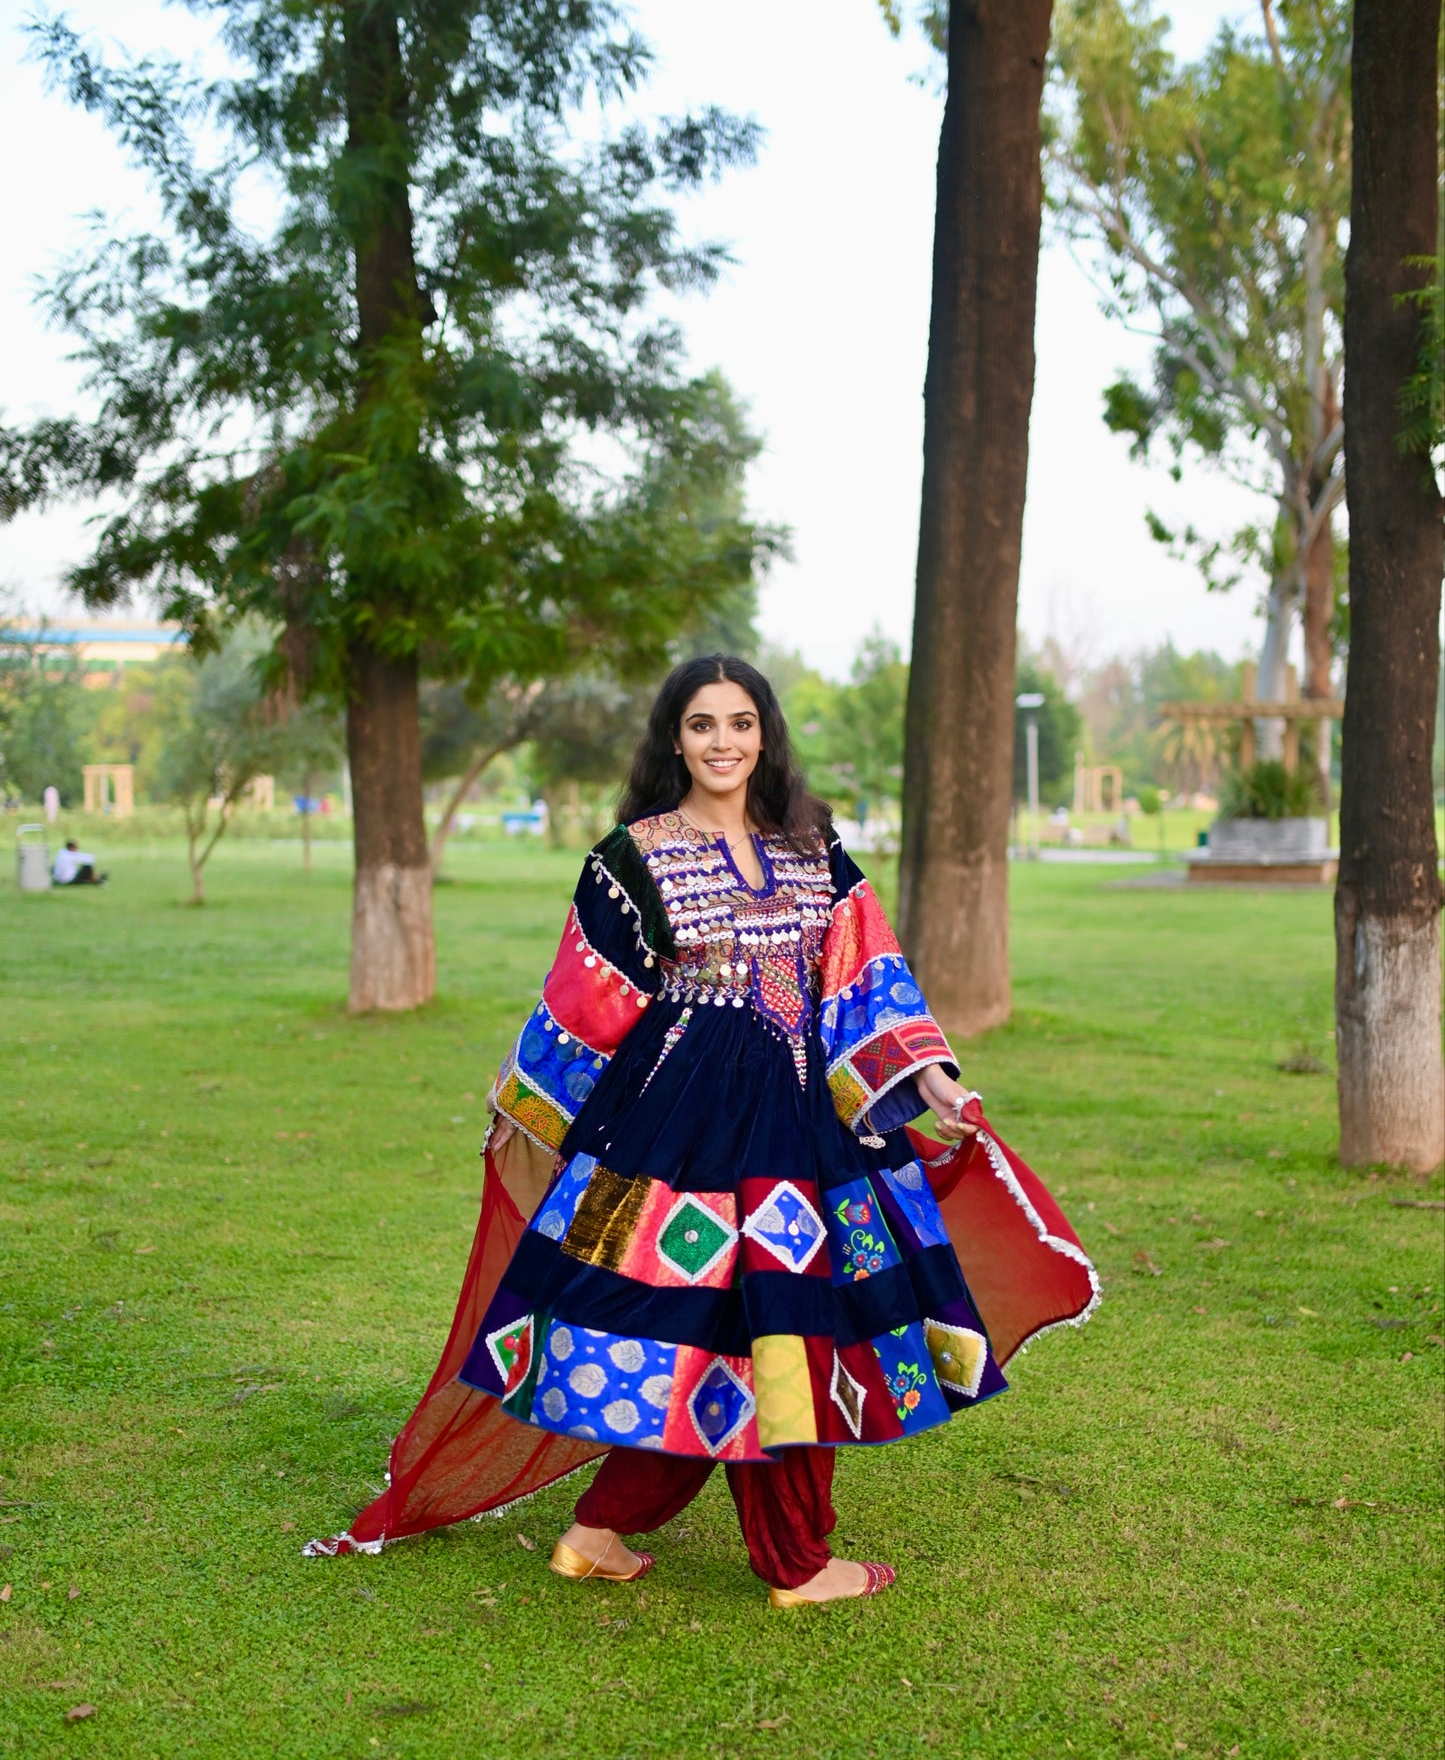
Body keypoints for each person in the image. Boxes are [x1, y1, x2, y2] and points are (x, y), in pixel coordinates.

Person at [307, 657, 1097, 1603]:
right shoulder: (631, 856)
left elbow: (867, 974)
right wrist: (528, 1090)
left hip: (808, 1126)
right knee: (754, 1323)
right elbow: (588, 992)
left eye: (739, 722)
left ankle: (599, 1533)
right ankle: (796, 1564)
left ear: (764, 734)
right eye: (700, 725)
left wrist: (930, 1079)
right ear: (672, 740)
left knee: (749, 1323)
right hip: (681, 1125)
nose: (722, 742)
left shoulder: (815, 850)